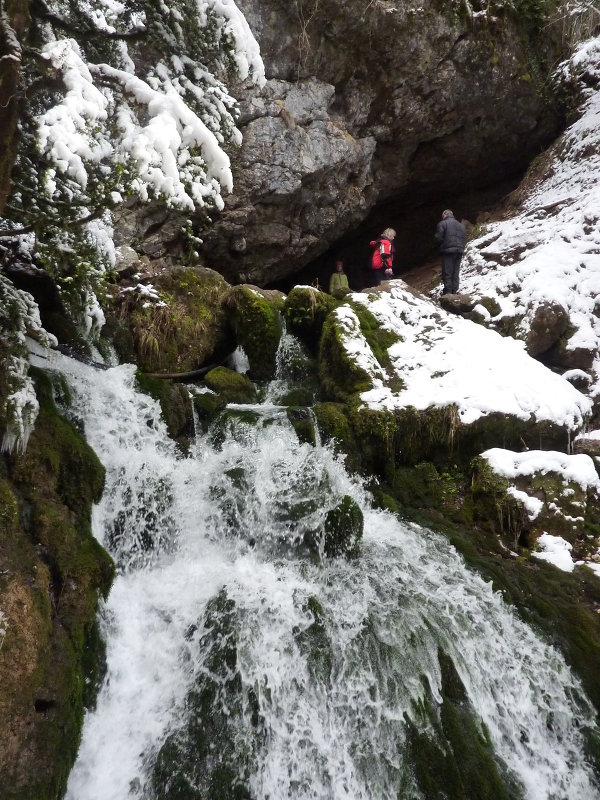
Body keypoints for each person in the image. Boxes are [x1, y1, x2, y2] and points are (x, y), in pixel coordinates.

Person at [435, 209, 467, 295]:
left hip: (448, 250)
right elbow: (464, 238)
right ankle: (454, 290)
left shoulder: (442, 224)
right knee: (455, 272)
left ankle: (448, 291)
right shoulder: (461, 226)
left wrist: (441, 247)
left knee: (447, 271)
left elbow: (439, 238)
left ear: (444, 215)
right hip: (459, 250)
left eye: (442, 216)